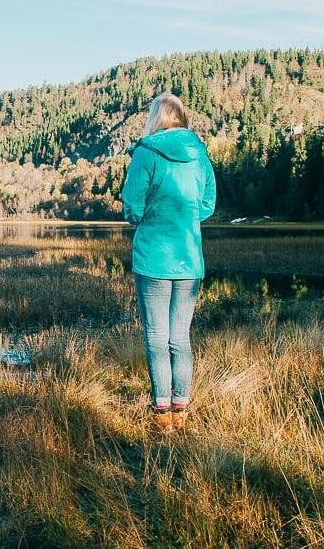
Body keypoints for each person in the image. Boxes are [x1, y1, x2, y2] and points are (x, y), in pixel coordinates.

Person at [121, 93, 216, 433]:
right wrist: (185, 218)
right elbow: (207, 205)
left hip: (153, 259)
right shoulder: (199, 154)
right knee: (180, 339)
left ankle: (162, 417)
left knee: (157, 338)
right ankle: (182, 410)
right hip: (189, 259)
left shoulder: (146, 153)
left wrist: (152, 218)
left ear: (155, 119)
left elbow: (131, 207)